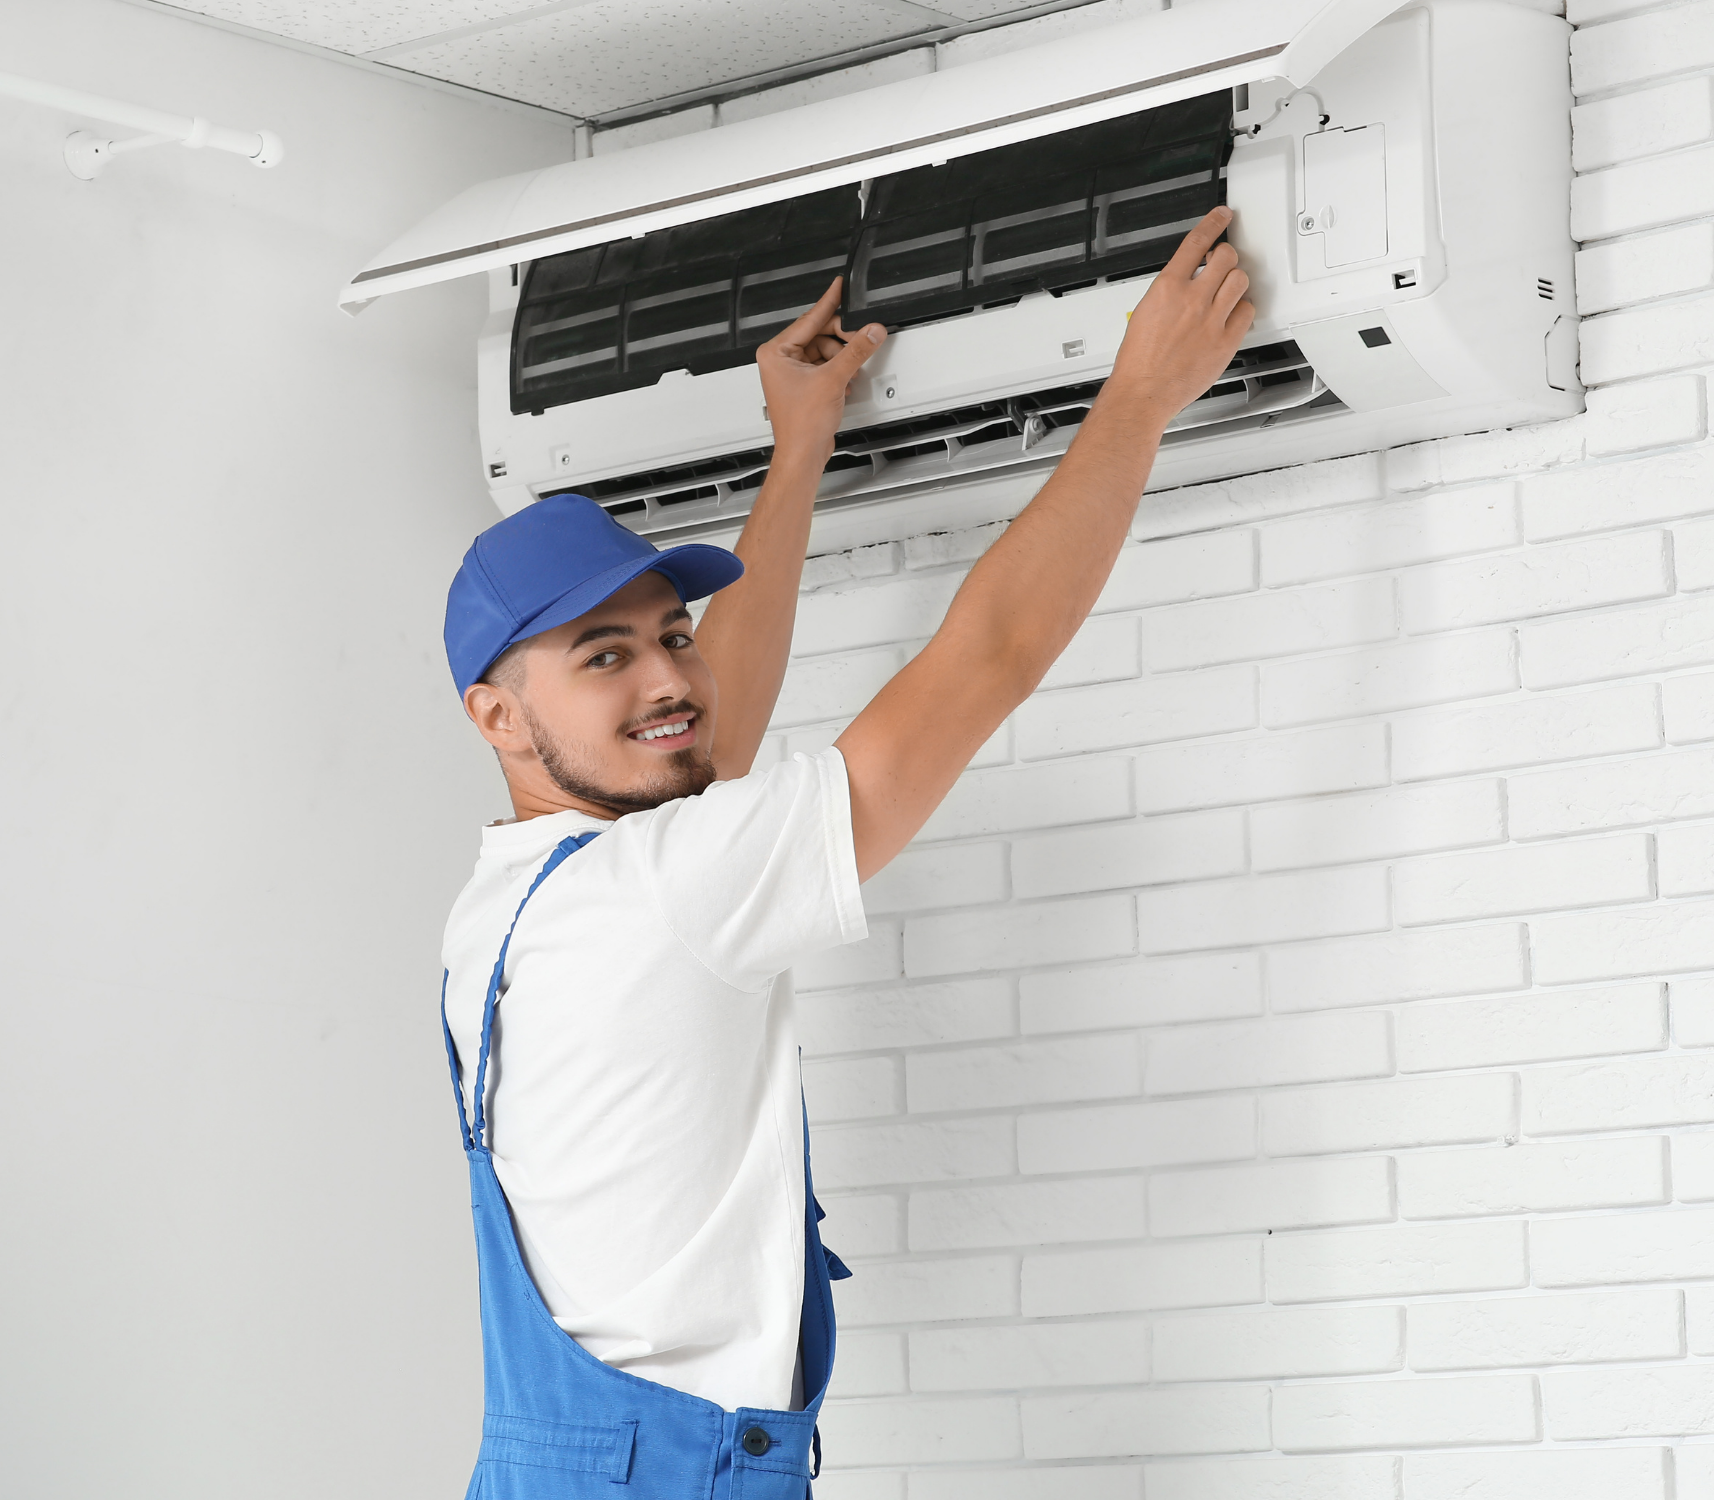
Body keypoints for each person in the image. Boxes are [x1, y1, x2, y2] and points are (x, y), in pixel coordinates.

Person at [436, 205, 1257, 1497]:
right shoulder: (661, 891)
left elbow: (712, 727)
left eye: (672, 630)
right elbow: (986, 659)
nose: (666, 676)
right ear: (495, 714)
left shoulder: (512, 902)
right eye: (604, 654)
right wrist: (1143, 394)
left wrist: (800, 445)